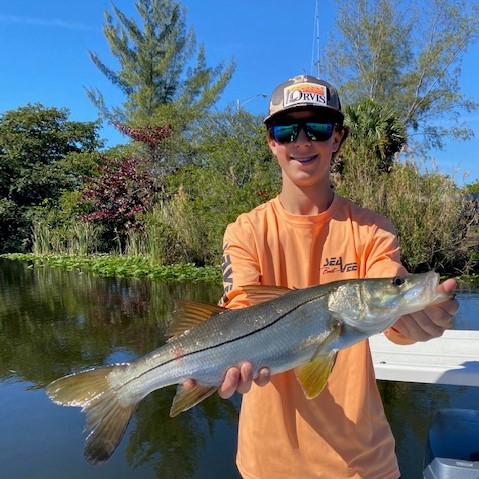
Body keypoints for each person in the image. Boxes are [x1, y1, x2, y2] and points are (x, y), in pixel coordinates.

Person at [198, 74, 458, 478]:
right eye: (287, 130)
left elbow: (393, 303)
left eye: (317, 128)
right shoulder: (245, 232)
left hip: (364, 465)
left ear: (337, 138)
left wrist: (417, 319)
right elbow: (241, 310)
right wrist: (209, 370)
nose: (302, 141)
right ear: (272, 142)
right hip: (267, 465)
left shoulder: (374, 230)